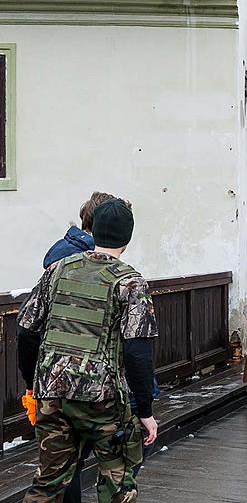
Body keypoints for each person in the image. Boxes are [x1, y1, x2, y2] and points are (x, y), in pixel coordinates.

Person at [18, 198, 158, 502]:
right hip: (101, 398)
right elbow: (137, 351)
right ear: (127, 237)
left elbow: (26, 330)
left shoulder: (57, 270)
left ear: (93, 229)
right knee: (117, 480)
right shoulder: (130, 282)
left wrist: (33, 384)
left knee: (48, 483)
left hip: (51, 393)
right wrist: (145, 411)